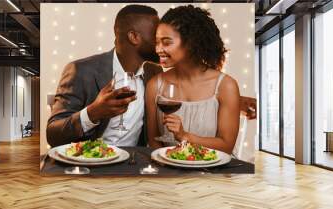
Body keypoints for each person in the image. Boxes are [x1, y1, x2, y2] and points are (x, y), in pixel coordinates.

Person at [47, 5, 162, 147]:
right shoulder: (80, 70)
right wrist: (92, 113)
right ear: (134, 37)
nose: (161, 42)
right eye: (156, 36)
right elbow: (52, 135)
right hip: (89, 164)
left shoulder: (154, 72)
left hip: (132, 164)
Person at [146, 5, 240, 154]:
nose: (158, 49)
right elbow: (153, 141)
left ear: (191, 43)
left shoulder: (226, 86)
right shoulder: (155, 85)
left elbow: (226, 145)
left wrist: (185, 136)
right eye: (157, 42)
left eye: (166, 42)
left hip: (212, 171)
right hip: (168, 171)